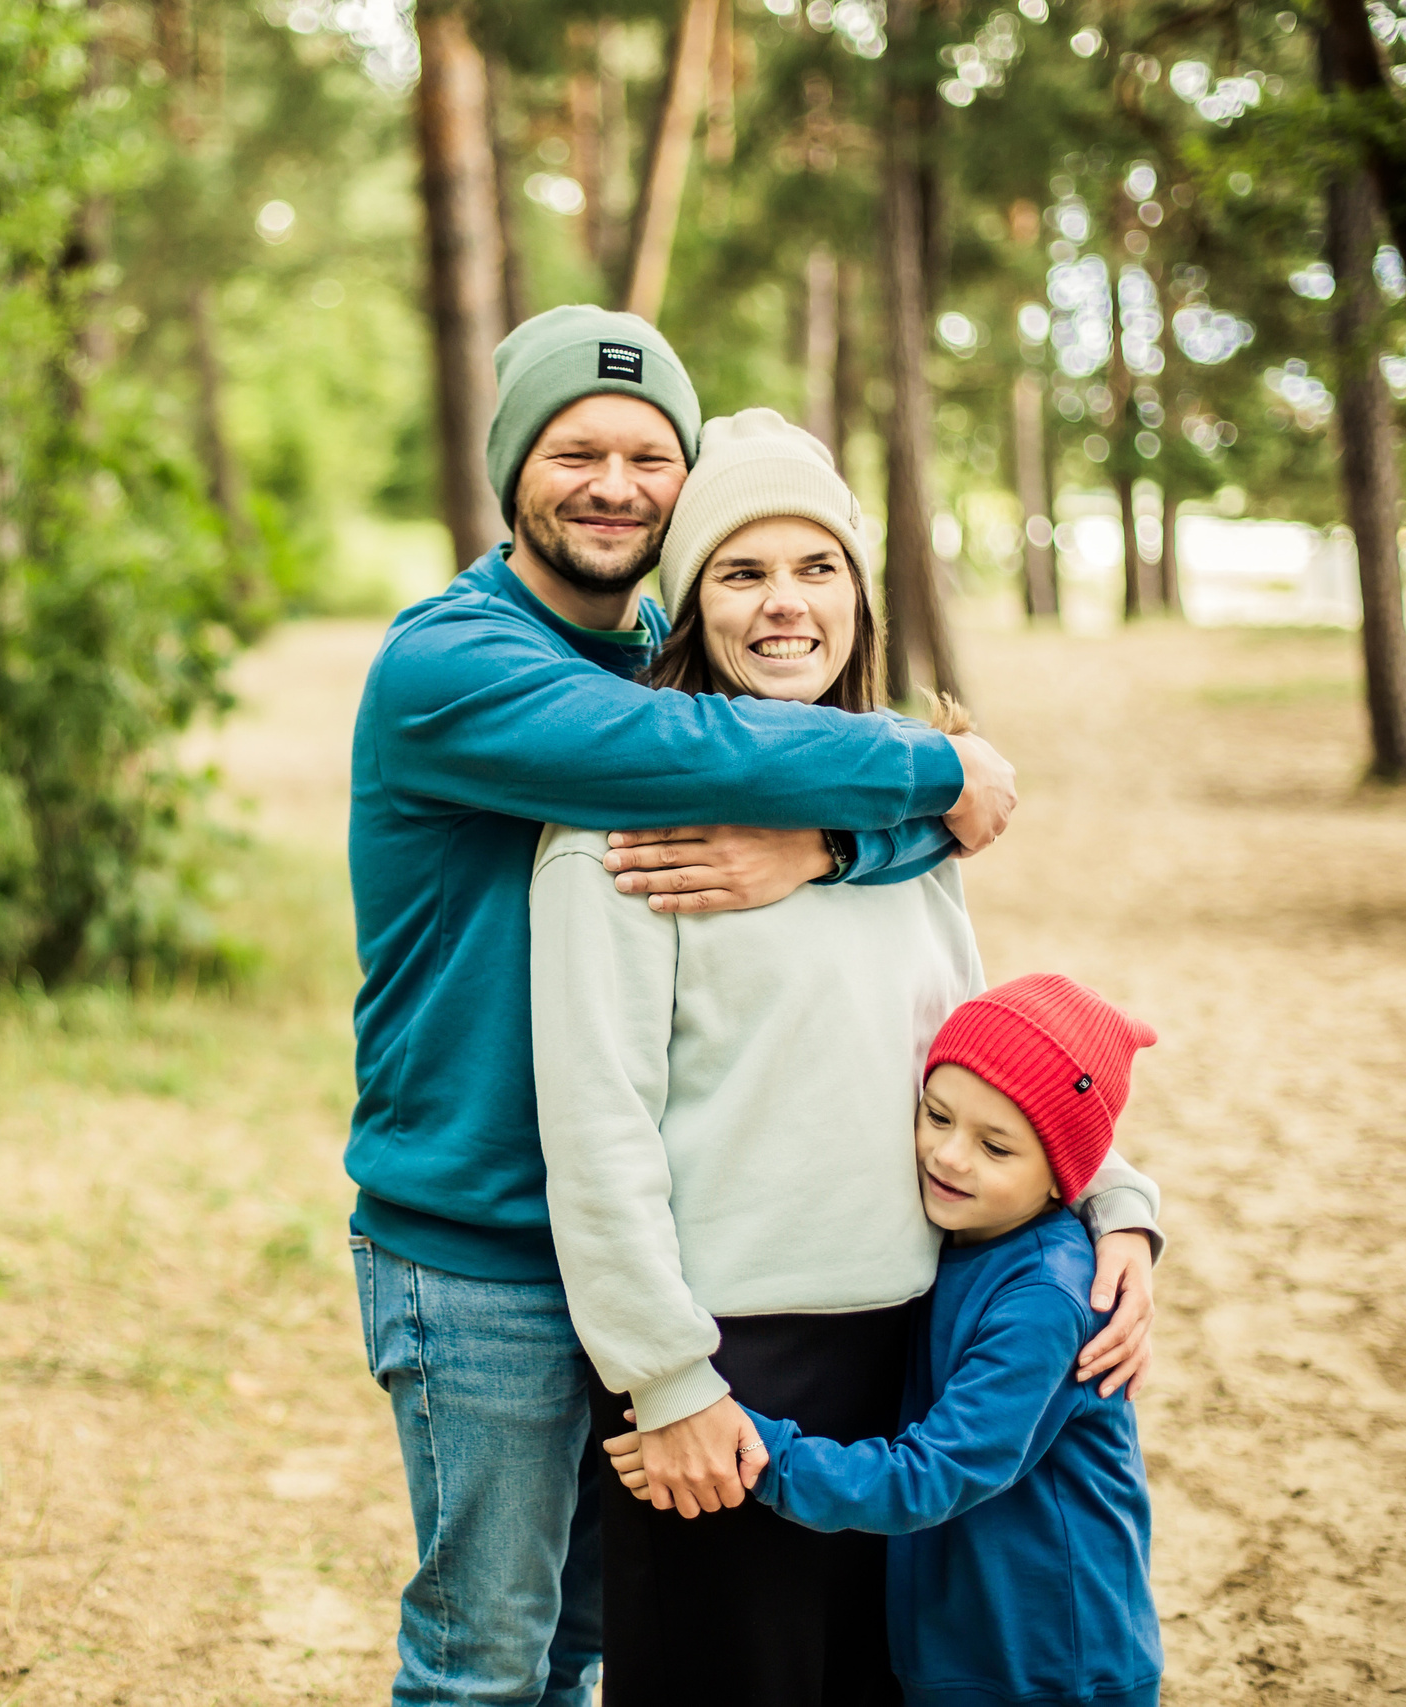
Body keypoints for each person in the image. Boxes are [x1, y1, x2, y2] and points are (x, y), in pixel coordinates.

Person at [347, 308, 1069, 1707]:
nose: (614, 484)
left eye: (649, 456)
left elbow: (824, 821)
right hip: (487, 1238)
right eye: (575, 451)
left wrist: (833, 845)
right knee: (489, 1659)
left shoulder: (672, 641)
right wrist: (937, 765)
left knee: (592, 1642)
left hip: (667, 1252)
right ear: (510, 467)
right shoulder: (453, 666)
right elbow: (688, 746)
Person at [531, 410, 1162, 1706]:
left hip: (912, 1349)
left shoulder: (898, 817)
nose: (785, 604)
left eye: (817, 568)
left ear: (860, 596)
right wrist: (667, 1379)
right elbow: (596, 1132)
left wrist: (1116, 1204)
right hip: (730, 1365)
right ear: (688, 603)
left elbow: (979, 1061)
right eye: (741, 572)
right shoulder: (620, 839)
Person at [609, 974, 1165, 1707]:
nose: (951, 1156)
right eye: (937, 1115)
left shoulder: (1046, 1299)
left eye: (996, 1147)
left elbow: (935, 1473)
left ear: (1068, 1176)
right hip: (960, 1643)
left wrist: (757, 1451)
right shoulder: (959, 1233)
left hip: (1050, 1659)